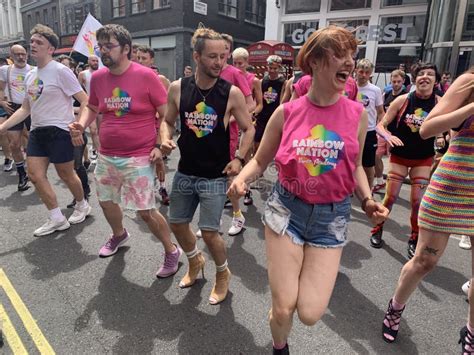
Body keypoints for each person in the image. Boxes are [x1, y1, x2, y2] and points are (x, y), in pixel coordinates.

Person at [228, 26, 388, 355]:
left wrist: (368, 199)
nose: (350, 63)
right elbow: (260, 159)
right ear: (314, 61)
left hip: (332, 218)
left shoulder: (357, 113)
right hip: (287, 210)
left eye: (352, 56)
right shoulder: (288, 112)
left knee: (311, 314)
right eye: (340, 55)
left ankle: (293, 276)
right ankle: (279, 345)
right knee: (284, 307)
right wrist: (242, 178)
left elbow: (356, 164)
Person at [69, 24, 182, 277]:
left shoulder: (146, 76)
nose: (103, 51)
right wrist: (81, 123)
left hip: (139, 156)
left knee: (145, 212)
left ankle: (171, 250)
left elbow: (166, 116)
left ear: (127, 48)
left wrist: (159, 147)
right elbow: (93, 108)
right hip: (107, 155)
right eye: (101, 46)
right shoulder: (97, 78)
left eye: (109, 46)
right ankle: (119, 235)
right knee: (106, 202)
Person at [381, 69, 474, 352]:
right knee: (424, 261)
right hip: (452, 186)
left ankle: (471, 332)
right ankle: (395, 308)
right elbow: (427, 128)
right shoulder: (469, 83)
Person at [160, 27, 255, 304]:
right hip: (185, 172)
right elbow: (167, 121)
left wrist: (239, 158)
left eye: (222, 57)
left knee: (211, 233)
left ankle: (223, 274)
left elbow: (248, 129)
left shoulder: (232, 93)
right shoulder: (178, 88)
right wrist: (165, 140)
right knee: (177, 224)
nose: (219, 62)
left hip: (215, 175)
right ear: (196, 56)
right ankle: (194, 260)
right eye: (212, 56)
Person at [0, 24, 91, 236]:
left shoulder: (61, 71)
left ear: (50, 48)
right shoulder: (32, 75)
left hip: (59, 130)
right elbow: (25, 108)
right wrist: (3, 126)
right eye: (31, 42)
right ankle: (57, 218)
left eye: (38, 42)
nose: (33, 45)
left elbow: (85, 101)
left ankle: (82, 204)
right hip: (38, 132)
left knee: (66, 174)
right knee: (35, 175)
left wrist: (80, 125)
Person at [371, 63, 440, 258]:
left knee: (417, 202)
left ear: (435, 81)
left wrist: (445, 137)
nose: (425, 77)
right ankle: (377, 230)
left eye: (430, 74)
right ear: (415, 78)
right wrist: (387, 136)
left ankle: (414, 238)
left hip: (423, 159)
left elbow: (450, 126)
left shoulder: (440, 103)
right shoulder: (402, 100)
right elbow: (380, 125)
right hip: (400, 157)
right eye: (421, 74)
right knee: (391, 197)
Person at [217, 33, 254, 236]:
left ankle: (238, 216)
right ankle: (213, 219)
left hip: (228, 135)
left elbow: (250, 104)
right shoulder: (206, 72)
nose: (220, 54)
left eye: (224, 49)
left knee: (229, 177)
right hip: (206, 135)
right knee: (212, 177)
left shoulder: (235, 73)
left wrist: (231, 119)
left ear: (228, 51)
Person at [136, 45, 171, 205]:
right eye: (138, 58)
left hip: (157, 124)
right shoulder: (133, 78)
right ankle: (145, 189)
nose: (141, 61)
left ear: (152, 60)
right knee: (140, 160)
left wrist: (160, 112)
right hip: (140, 126)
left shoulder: (161, 79)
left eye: (144, 58)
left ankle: (162, 187)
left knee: (158, 159)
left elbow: (169, 103)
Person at [232, 46, 264, 206]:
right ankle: (230, 191)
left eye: (240, 63)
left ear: (246, 62)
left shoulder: (254, 80)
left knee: (245, 157)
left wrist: (249, 115)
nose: (237, 67)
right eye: (234, 63)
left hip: (247, 123)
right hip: (230, 123)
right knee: (231, 157)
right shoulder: (229, 76)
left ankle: (247, 190)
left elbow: (259, 104)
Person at [0, 44, 32, 191]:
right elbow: (0, 88)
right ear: (11, 57)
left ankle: (35, 170)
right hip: (13, 107)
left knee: (34, 141)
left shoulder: (33, 70)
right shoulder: (5, 71)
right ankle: (22, 175)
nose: (21, 57)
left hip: (32, 108)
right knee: (14, 144)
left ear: (27, 55)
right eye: (17, 54)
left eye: (23, 54)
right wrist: (2, 102)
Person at [373, 69, 408, 193]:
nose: (396, 84)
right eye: (394, 81)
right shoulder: (386, 94)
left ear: (403, 81)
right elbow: (381, 111)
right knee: (376, 155)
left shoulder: (406, 97)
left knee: (393, 159)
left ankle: (392, 185)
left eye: (399, 81)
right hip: (384, 131)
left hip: (397, 133)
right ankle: (380, 180)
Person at [356, 59, 385, 189]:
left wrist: (382, 130)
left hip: (369, 132)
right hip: (351, 132)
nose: (363, 75)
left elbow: (380, 112)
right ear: (356, 71)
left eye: (367, 72)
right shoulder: (348, 86)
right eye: (361, 71)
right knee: (349, 163)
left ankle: (369, 191)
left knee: (368, 165)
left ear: (371, 74)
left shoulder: (375, 90)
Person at [78, 55, 100, 160]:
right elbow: (78, 89)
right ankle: (98, 153)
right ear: (89, 61)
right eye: (93, 61)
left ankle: (98, 149)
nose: (95, 62)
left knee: (101, 131)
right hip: (90, 105)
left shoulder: (102, 73)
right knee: (93, 130)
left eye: (97, 61)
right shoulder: (83, 74)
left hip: (101, 105)